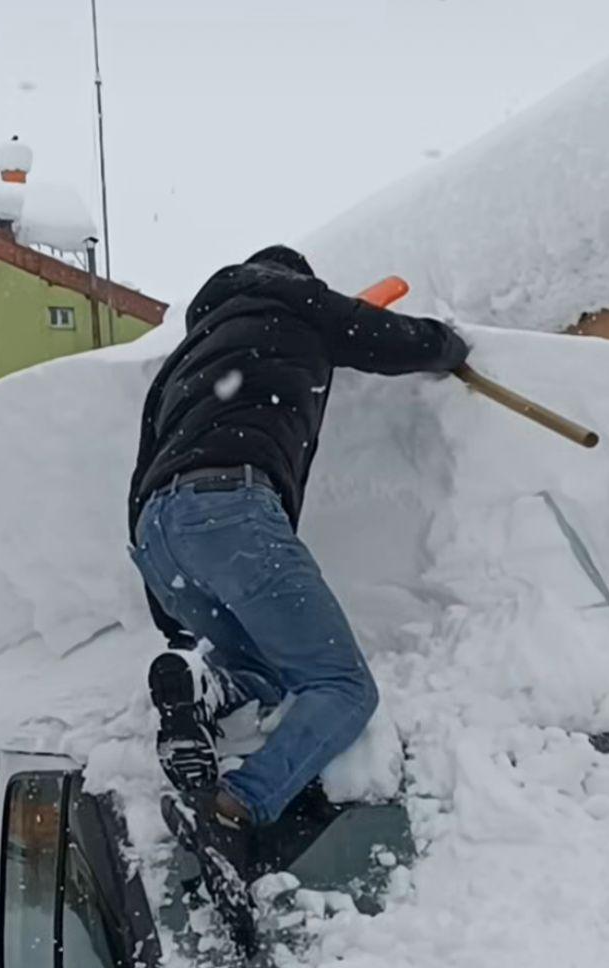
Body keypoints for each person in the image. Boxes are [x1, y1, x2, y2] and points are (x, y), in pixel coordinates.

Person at [129, 245, 469, 829]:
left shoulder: (185, 357)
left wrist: (172, 611)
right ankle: (237, 808)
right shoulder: (298, 302)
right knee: (341, 686)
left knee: (262, 669)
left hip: (157, 535)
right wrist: (452, 345)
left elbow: (142, 473)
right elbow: (389, 337)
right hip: (231, 511)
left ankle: (198, 680)